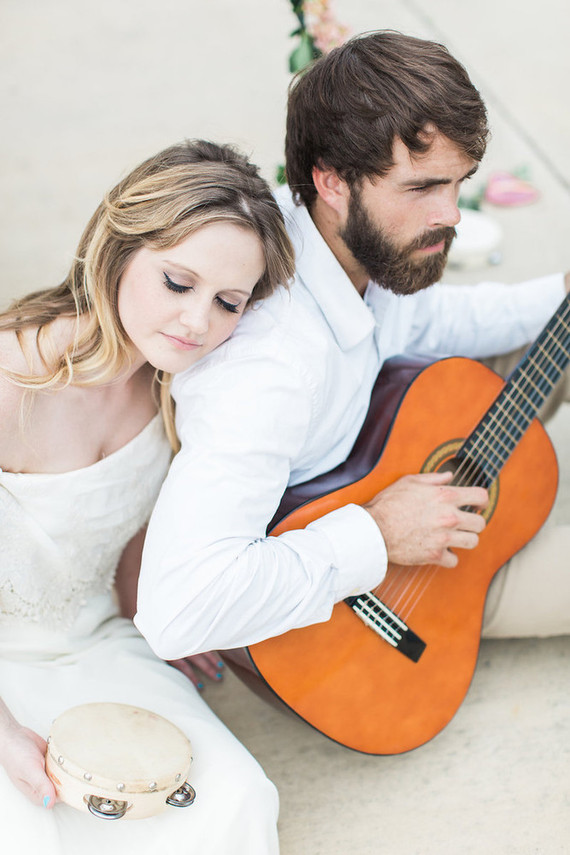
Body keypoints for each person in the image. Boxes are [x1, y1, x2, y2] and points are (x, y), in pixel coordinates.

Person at [135, 31, 569, 664]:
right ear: (332, 181)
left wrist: (559, 293)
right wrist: (379, 532)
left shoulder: (362, 247)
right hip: (378, 610)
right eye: (422, 188)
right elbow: (180, 609)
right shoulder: (270, 371)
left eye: (459, 183)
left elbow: (439, 320)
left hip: (388, 451)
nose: (451, 213)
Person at [0, 139, 294, 854]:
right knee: (30, 827)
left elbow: (130, 538)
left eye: (228, 302)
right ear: (119, 250)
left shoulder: (179, 395)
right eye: (177, 282)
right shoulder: (14, 378)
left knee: (236, 800)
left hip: (98, 642)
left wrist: (159, 621)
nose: (197, 322)